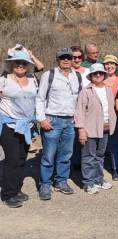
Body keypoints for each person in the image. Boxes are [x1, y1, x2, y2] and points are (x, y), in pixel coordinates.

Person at [36, 48, 83, 200]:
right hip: (52, 119)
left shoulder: (77, 76)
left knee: (66, 154)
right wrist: (42, 119)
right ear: (57, 59)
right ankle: (45, 184)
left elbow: (79, 99)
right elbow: (40, 98)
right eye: (62, 57)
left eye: (69, 57)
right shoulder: (49, 75)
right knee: (49, 155)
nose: (66, 60)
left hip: (70, 121)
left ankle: (61, 181)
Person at [0, 51, 37, 208]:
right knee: (12, 159)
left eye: (23, 62)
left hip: (27, 126)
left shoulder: (32, 79)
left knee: (22, 159)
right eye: (16, 62)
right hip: (9, 125)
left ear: (28, 65)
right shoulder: (3, 81)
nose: (20, 65)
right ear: (11, 65)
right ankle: (8, 194)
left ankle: (16, 189)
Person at [74, 63, 116, 194]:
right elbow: (79, 111)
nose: (98, 75)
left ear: (104, 75)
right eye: (95, 73)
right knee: (88, 156)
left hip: (105, 128)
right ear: (91, 76)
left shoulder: (108, 89)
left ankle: (98, 179)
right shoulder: (86, 91)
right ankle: (88, 182)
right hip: (90, 129)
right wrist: (81, 130)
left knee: (100, 155)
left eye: (100, 73)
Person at [102, 54, 118, 181]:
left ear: (116, 66)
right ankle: (103, 168)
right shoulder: (99, 80)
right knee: (105, 143)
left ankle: (117, 168)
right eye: (107, 64)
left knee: (117, 143)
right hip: (103, 116)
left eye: (112, 64)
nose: (109, 66)